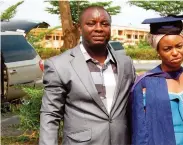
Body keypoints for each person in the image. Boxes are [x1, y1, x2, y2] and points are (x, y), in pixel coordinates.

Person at [39, 6, 135, 145]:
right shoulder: (60, 65)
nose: (98, 28)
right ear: (79, 28)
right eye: (91, 23)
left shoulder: (125, 63)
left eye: (104, 24)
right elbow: (50, 114)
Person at [130, 15, 183, 145]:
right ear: (158, 51)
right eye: (167, 49)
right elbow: (139, 130)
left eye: (179, 46)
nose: (175, 52)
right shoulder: (146, 83)